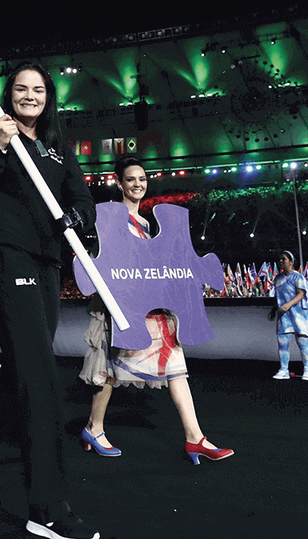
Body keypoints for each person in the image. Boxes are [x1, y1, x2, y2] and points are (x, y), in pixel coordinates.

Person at [0, 63, 100, 539]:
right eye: (20, 88)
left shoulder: (57, 147)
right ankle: (47, 507)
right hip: (4, 256)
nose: (29, 96)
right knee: (39, 375)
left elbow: (83, 200)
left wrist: (76, 216)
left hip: (48, 262)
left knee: (22, 369)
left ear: (48, 97)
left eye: (38, 89)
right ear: (7, 95)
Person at [78, 157, 233, 465]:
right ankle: (94, 429)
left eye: (143, 179)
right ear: (119, 183)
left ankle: (195, 438)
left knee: (176, 366)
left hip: (153, 307)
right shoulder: (109, 218)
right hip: (124, 307)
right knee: (108, 371)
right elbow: (107, 261)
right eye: (131, 179)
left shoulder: (149, 224)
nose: (138, 184)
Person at [272, 250, 308, 381]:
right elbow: (278, 298)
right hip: (284, 315)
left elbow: (300, 294)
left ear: (291, 262)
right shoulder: (278, 278)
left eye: (283, 259)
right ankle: (283, 369)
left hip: (298, 315)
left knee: (302, 342)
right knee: (282, 343)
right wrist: (274, 310)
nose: (280, 261)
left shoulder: (298, 277)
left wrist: (288, 305)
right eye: (279, 259)